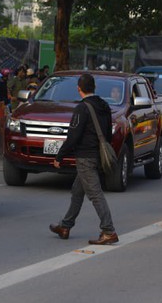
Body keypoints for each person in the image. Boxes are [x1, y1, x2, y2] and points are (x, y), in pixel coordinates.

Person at [49, 73, 118, 245]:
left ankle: (109, 231)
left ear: (79, 89)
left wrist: (60, 156)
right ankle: (65, 226)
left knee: (95, 194)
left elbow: (73, 136)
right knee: (77, 191)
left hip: (85, 157)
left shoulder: (82, 108)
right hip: (97, 155)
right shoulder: (104, 105)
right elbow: (108, 134)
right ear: (94, 87)